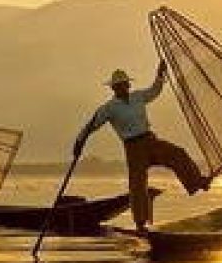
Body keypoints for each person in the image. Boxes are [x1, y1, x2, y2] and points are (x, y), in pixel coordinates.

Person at [74, 64, 211, 233]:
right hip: (133, 148)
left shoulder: (138, 96)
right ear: (114, 88)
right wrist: (79, 140)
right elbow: (91, 125)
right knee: (137, 185)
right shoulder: (108, 108)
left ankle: (196, 182)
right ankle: (140, 223)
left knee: (177, 153)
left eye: (123, 84)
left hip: (149, 140)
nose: (121, 88)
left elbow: (154, 91)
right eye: (118, 86)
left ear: (128, 85)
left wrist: (160, 75)